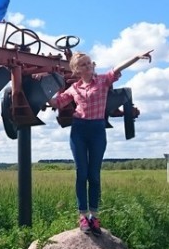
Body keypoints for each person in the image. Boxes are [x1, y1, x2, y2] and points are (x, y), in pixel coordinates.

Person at [49, 50, 153, 235]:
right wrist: (36, 94)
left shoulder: (103, 81)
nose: (88, 66)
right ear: (76, 69)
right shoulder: (73, 89)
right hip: (79, 130)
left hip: (97, 130)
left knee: (94, 175)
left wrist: (136, 57)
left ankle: (94, 216)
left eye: (90, 63)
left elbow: (118, 68)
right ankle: (82, 215)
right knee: (81, 173)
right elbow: (57, 102)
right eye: (83, 65)